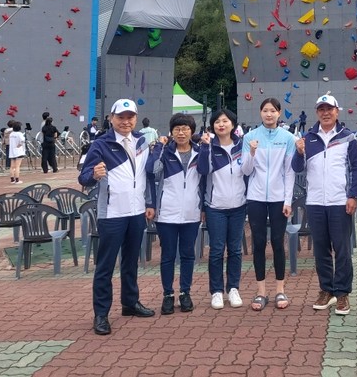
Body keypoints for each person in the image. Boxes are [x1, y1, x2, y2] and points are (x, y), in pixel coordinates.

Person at [78, 99, 155, 336]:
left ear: (136, 118)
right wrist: (94, 174)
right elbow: (83, 177)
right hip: (112, 213)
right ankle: (101, 314)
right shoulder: (101, 144)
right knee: (106, 265)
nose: (126, 121)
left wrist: (149, 203)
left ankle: (130, 303)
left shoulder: (142, 141)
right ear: (112, 118)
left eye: (130, 117)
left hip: (136, 212)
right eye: (121, 117)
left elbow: (147, 175)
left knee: (131, 261)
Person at [292, 94, 357, 316]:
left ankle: (342, 293)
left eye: (329, 109)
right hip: (315, 202)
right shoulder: (308, 138)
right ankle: (326, 290)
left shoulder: (348, 137)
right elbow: (297, 168)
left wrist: (353, 196)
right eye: (321, 109)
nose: (325, 113)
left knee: (342, 249)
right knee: (321, 249)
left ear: (337, 111)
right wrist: (299, 152)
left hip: (340, 202)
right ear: (317, 112)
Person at [241, 98, 296, 311]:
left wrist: (288, 200)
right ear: (260, 113)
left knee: (277, 242)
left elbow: (289, 172)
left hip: (278, 197)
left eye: (273, 110)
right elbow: (246, 170)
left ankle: (280, 289)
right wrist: (252, 152)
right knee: (258, 242)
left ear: (279, 113)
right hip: (255, 197)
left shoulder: (288, 138)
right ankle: (261, 291)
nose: (269, 114)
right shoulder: (250, 137)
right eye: (265, 110)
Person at [146, 113, 203, 315]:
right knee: (168, 256)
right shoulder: (166, 152)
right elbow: (152, 169)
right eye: (177, 129)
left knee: (188, 255)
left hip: (191, 213)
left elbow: (206, 178)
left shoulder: (199, 152)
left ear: (192, 131)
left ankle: (185, 293)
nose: (181, 133)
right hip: (167, 214)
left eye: (185, 129)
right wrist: (159, 148)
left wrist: (203, 208)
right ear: (171, 132)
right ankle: (168, 294)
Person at [197, 108, 247, 310]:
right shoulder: (209, 146)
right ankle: (216, 291)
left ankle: (233, 288)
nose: (221, 124)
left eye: (225, 121)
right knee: (217, 250)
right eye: (217, 121)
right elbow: (202, 170)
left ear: (233, 124)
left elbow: (249, 171)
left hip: (239, 206)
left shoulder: (242, 146)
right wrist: (205, 148)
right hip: (215, 207)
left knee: (235, 250)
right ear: (212, 126)